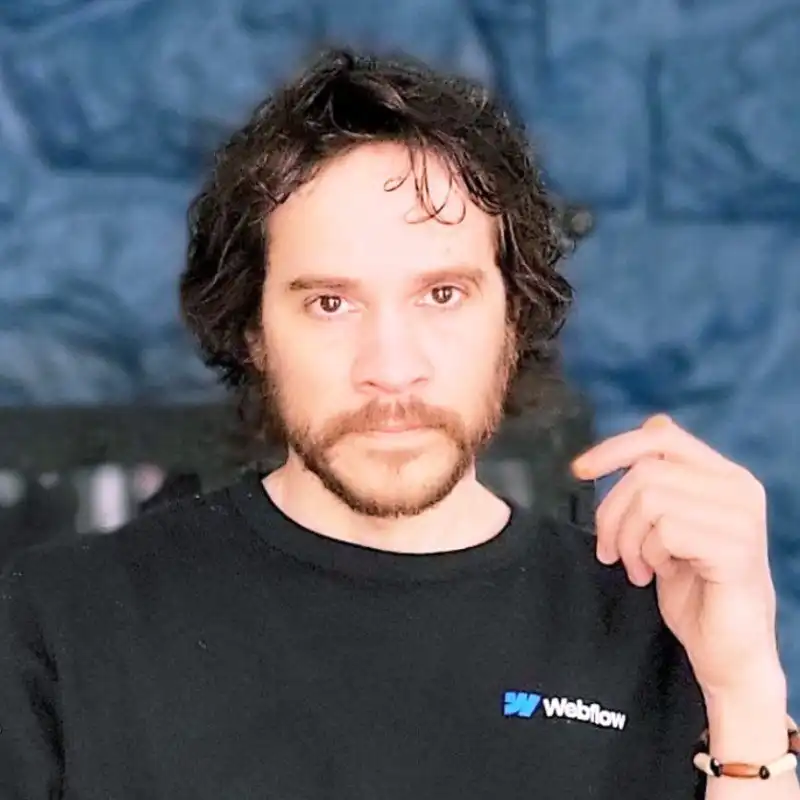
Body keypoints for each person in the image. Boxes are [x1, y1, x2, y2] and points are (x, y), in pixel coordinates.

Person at [0, 49, 796, 800]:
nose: (391, 366)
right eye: (330, 303)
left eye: (441, 295)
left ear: (513, 316)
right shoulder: (58, 626)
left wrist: (747, 694)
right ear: (254, 331)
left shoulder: (659, 633)